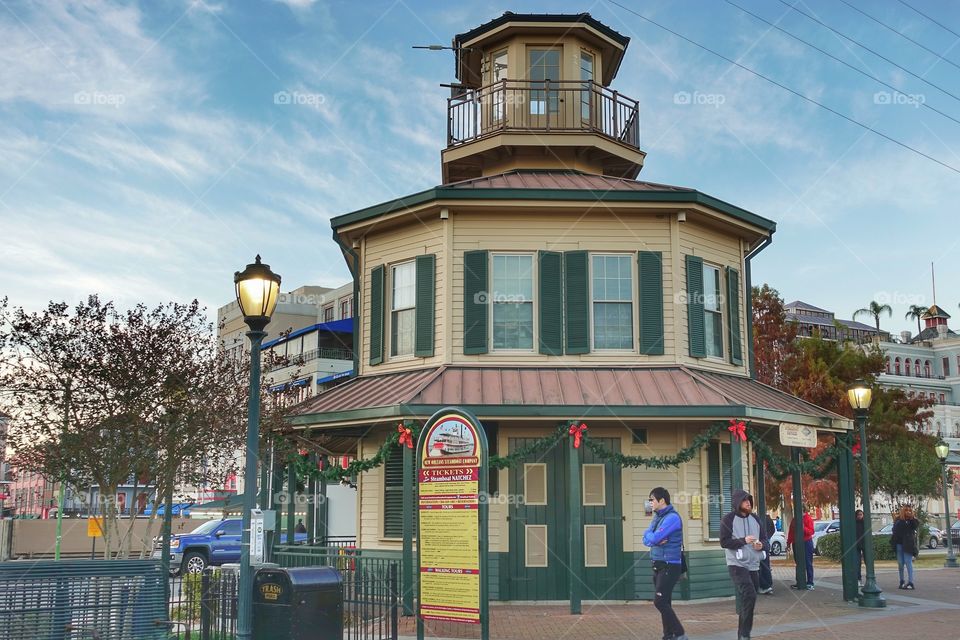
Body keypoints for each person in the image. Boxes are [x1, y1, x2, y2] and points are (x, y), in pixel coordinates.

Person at [720, 489, 769, 640]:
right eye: (745, 500)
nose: (748, 502)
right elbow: (724, 542)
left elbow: (765, 540)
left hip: (754, 565)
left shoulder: (756, 519)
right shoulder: (727, 520)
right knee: (749, 594)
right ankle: (745, 634)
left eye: (749, 500)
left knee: (749, 599)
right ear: (737, 503)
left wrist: (762, 545)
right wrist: (743, 540)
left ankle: (742, 634)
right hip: (736, 565)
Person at [642, 487, 687, 640]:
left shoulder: (672, 518)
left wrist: (653, 538)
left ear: (661, 501)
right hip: (658, 565)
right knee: (665, 602)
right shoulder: (657, 517)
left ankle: (680, 634)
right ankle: (668, 636)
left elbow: (652, 539)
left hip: (670, 565)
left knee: (659, 601)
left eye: (652, 499)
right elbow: (646, 539)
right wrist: (652, 537)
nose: (650, 503)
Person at [891, 505, 919, 589]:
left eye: (910, 510)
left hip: (908, 544)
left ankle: (910, 582)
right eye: (906, 510)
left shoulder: (912, 520)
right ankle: (901, 581)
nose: (908, 512)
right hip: (899, 544)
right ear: (903, 511)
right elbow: (895, 530)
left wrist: (912, 518)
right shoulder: (899, 520)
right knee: (900, 563)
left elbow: (915, 526)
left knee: (908, 562)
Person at [786, 510, 815, 589]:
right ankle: (799, 581)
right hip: (796, 543)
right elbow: (791, 532)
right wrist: (788, 543)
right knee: (798, 562)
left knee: (808, 562)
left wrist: (803, 528)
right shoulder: (794, 520)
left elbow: (811, 531)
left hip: (806, 542)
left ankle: (810, 582)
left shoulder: (808, 518)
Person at [757, 512, 776, 595]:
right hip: (766, 541)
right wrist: (768, 536)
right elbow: (773, 529)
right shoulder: (769, 519)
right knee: (766, 564)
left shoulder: (757, 519)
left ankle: (764, 585)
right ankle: (768, 584)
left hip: (760, 543)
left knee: (760, 566)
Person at [855, 509, 866, 586]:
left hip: (864, 544)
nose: (860, 516)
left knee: (867, 562)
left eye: (861, 514)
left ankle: (869, 578)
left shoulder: (865, 523)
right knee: (857, 563)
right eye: (858, 515)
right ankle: (858, 579)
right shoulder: (854, 523)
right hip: (856, 545)